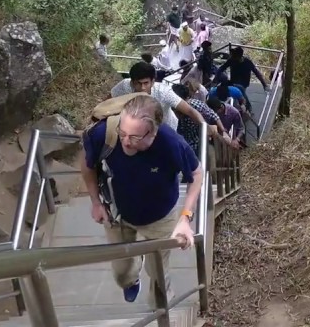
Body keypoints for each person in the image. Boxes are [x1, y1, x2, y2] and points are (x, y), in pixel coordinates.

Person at [81, 95, 201, 304]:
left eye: (135, 137)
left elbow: (197, 174)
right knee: (121, 272)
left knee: (158, 273)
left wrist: (185, 218)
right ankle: (131, 281)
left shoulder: (171, 143)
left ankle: (161, 304)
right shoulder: (106, 133)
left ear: (153, 133)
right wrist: (96, 202)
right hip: (118, 212)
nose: (126, 142)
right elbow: (87, 165)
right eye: (123, 133)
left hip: (159, 217)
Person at [111, 61, 205, 133]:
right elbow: (109, 101)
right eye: (138, 83)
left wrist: (204, 125)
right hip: (139, 126)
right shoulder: (125, 86)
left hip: (165, 128)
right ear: (132, 82)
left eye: (146, 83)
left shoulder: (163, 92)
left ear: (152, 82)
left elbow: (189, 110)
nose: (142, 88)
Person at [170, 83, 236, 152]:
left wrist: (223, 130)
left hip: (199, 143)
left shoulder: (196, 105)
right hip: (182, 144)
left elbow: (213, 115)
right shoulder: (169, 112)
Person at [220, 46, 267, 110]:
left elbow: (256, 72)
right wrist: (218, 75)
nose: (231, 56)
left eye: (233, 55)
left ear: (238, 57)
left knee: (240, 90)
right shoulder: (231, 60)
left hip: (244, 83)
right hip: (233, 81)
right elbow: (222, 67)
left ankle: (247, 107)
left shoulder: (247, 62)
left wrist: (264, 84)